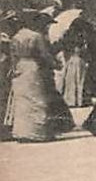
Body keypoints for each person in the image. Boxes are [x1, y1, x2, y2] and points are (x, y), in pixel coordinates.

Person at [4, 9, 64, 141]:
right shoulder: (36, 36)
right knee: (37, 99)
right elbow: (44, 55)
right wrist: (55, 64)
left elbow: (13, 57)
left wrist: (14, 70)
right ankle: (37, 132)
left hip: (20, 67)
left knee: (23, 101)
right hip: (33, 68)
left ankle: (22, 132)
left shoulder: (15, 37)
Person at [59, 18, 90, 108]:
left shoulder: (67, 35)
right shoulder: (80, 37)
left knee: (70, 81)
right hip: (79, 60)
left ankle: (70, 100)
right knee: (79, 80)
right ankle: (78, 100)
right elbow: (83, 51)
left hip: (70, 60)